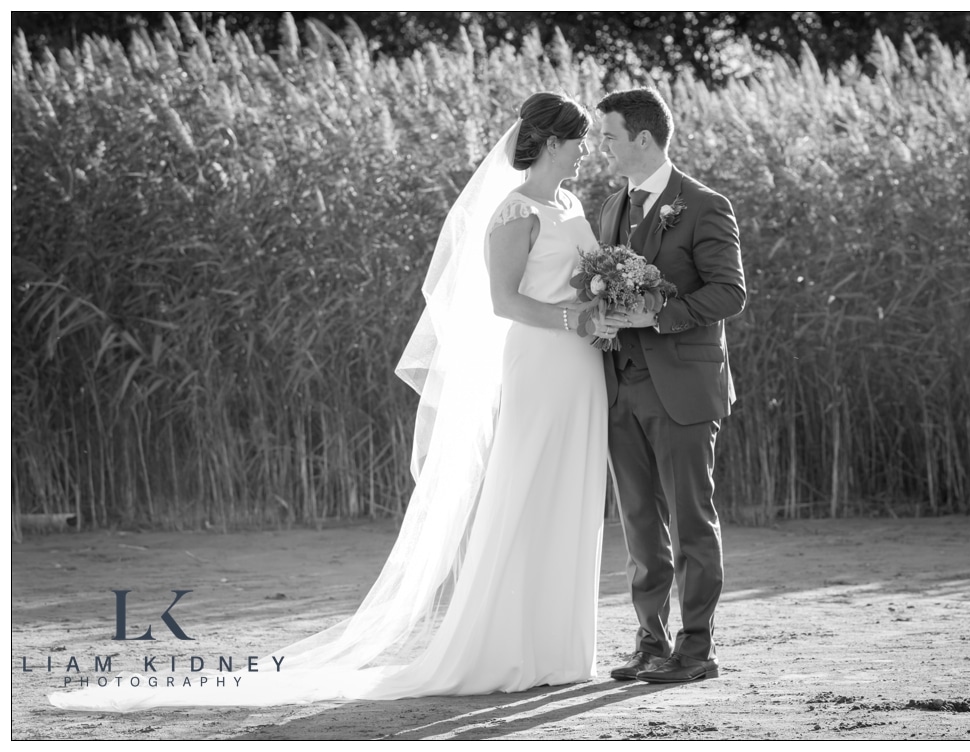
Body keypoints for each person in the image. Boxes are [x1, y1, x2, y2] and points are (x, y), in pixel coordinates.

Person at [48, 92, 621, 711]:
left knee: (573, 497)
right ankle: (506, 647)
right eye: (580, 140)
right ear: (553, 142)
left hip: (581, 369)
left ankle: (561, 652)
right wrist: (576, 318)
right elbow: (504, 303)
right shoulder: (514, 212)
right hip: (540, 363)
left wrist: (606, 309)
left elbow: (572, 280)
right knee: (529, 494)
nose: (587, 151)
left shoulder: (569, 203)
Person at [596, 87, 746, 684]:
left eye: (608, 136)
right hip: (620, 388)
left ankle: (696, 648)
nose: (601, 147)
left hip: (682, 387)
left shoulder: (704, 205)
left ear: (643, 138)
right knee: (638, 522)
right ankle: (650, 642)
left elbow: (730, 293)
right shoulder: (610, 207)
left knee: (690, 520)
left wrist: (655, 315)